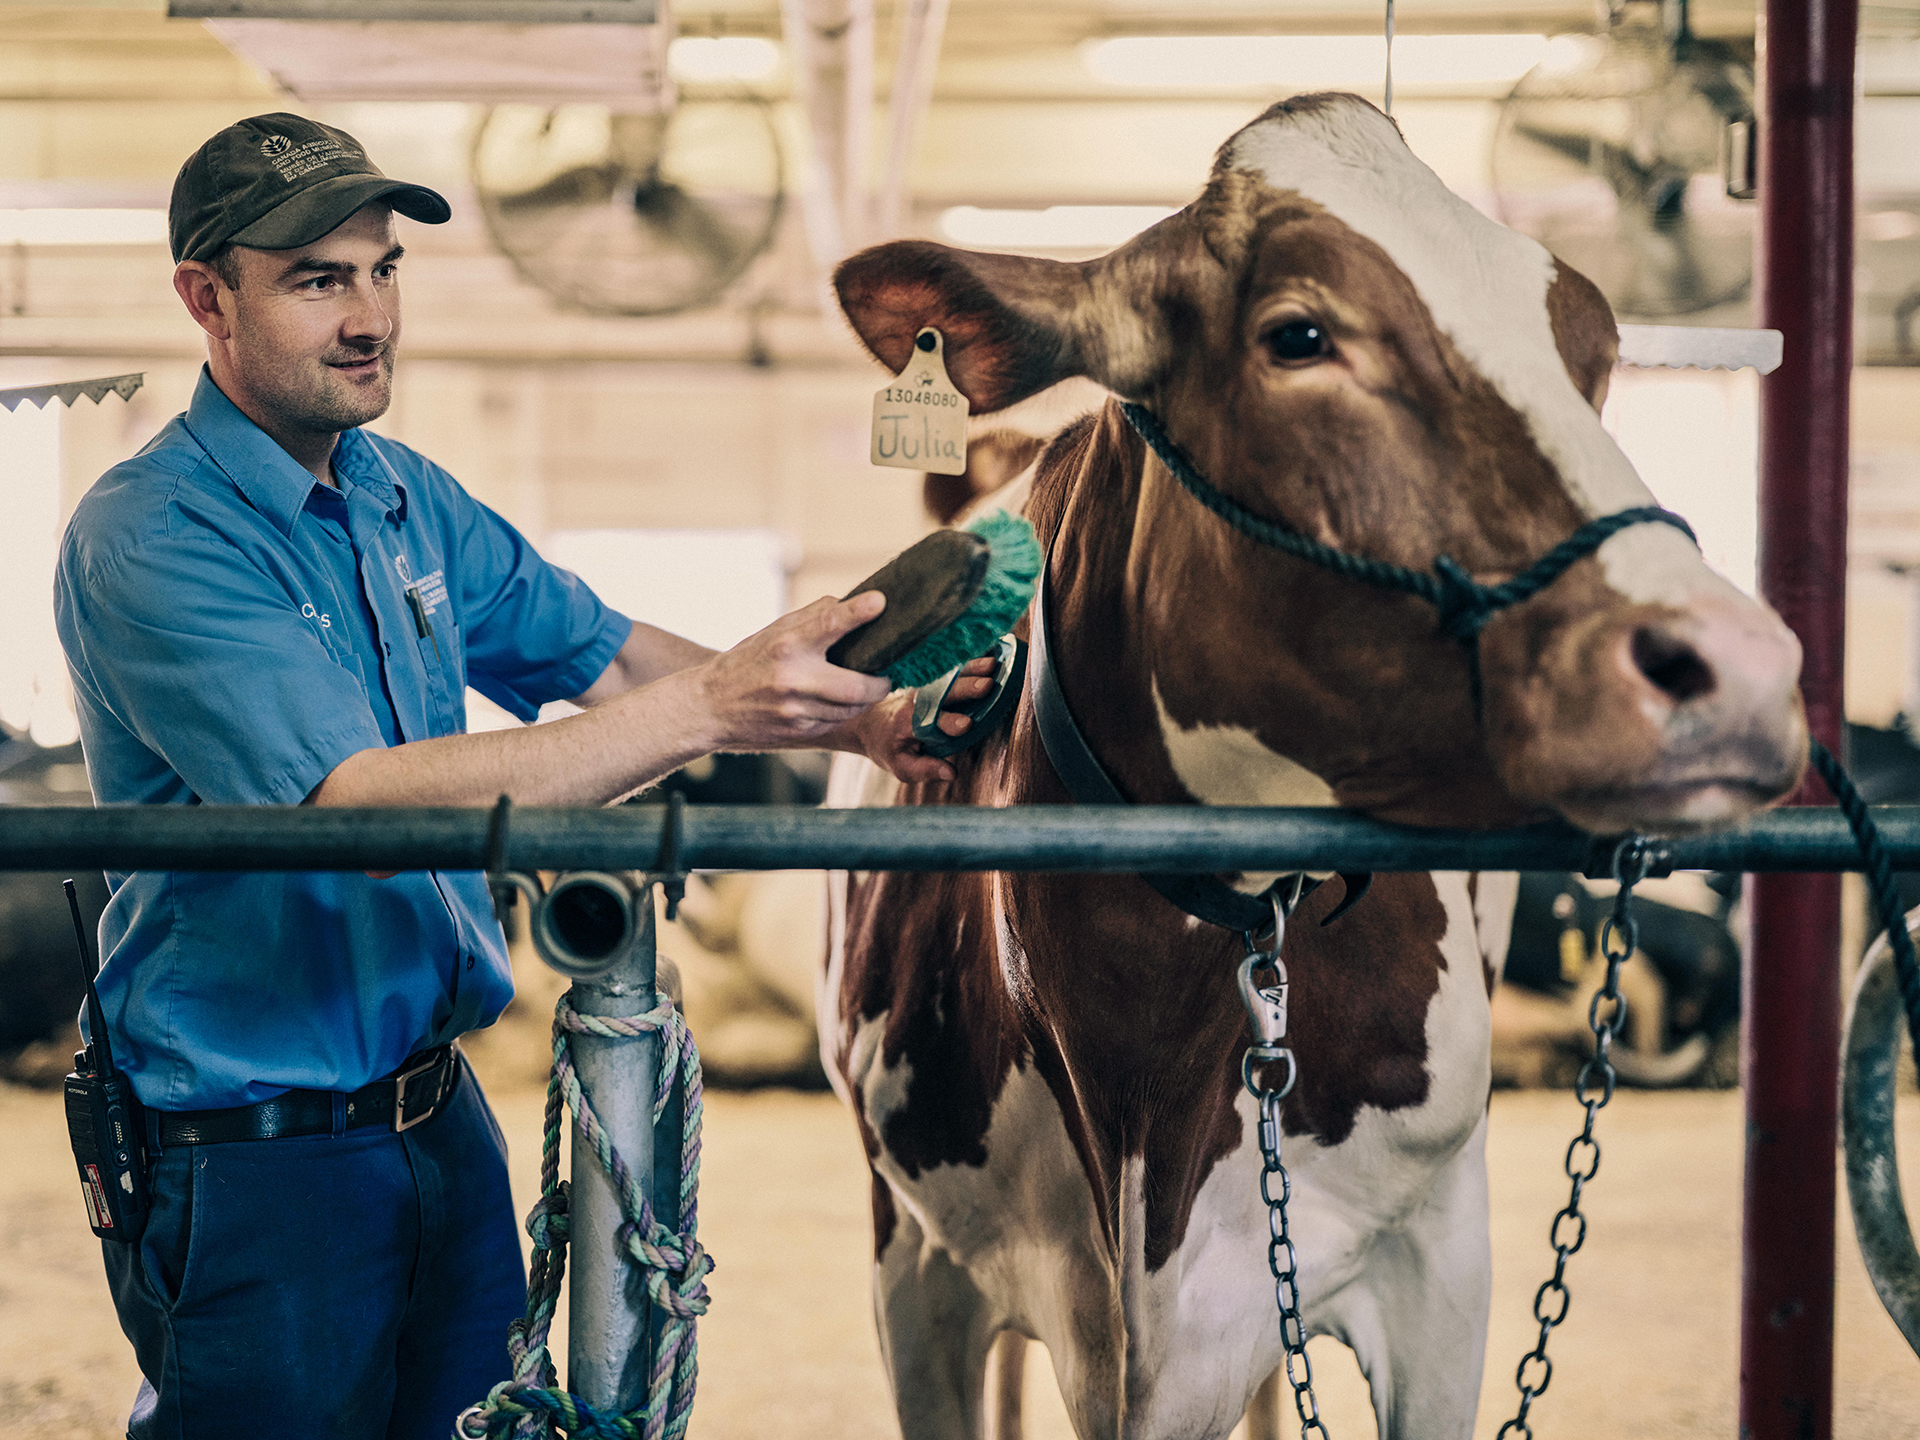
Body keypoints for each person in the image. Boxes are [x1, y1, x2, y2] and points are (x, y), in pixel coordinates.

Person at [53, 113, 986, 1440]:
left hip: (439, 1114)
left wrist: (856, 723)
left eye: (384, 270)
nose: (370, 313)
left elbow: (601, 658)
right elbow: (360, 818)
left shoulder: (402, 498)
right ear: (207, 299)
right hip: (256, 1153)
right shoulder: (152, 533)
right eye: (320, 279)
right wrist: (714, 703)